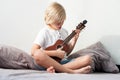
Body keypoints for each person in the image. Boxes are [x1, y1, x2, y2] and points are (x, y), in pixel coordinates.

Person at [31, 2, 92, 73]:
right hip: (48, 62)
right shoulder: (44, 32)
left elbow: (66, 52)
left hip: (63, 62)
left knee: (88, 59)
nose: (60, 24)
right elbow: (33, 51)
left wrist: (74, 40)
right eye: (58, 22)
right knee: (38, 54)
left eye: (62, 21)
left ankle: (57, 69)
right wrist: (55, 53)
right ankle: (72, 71)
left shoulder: (64, 31)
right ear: (50, 19)